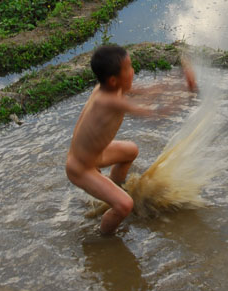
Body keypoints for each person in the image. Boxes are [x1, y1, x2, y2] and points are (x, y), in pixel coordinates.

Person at [66, 44, 197, 235]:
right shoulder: (109, 101)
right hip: (81, 168)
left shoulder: (111, 89)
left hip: (95, 155)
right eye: (128, 69)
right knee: (125, 205)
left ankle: (113, 190)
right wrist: (187, 96)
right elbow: (155, 115)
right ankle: (104, 239)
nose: (133, 71)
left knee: (131, 151)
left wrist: (180, 80)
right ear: (113, 80)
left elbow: (150, 90)